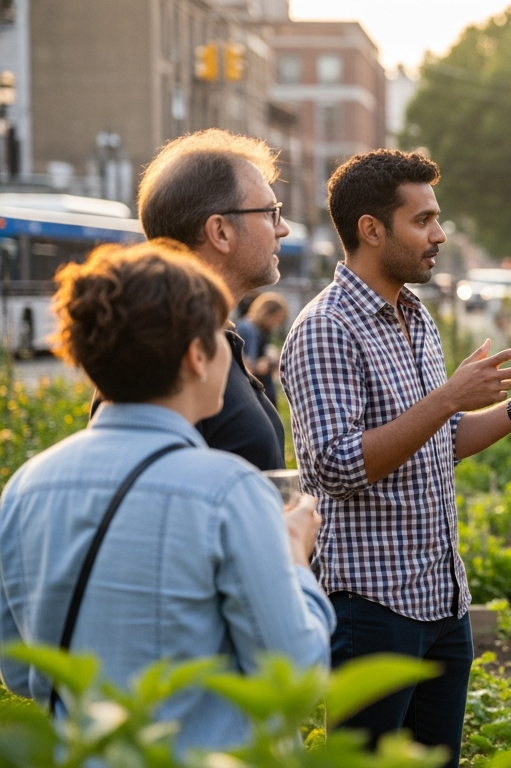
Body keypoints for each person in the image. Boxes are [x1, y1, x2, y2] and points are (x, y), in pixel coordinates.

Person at [280, 149, 511, 766]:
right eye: (423, 220)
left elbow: (437, 440)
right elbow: (335, 467)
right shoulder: (325, 328)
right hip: (372, 606)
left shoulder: (417, 317)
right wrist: (445, 399)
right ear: (371, 229)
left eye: (438, 219)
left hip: (440, 599)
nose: (438, 235)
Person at [0, 241, 332, 753]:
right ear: (197, 355)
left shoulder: (25, 487)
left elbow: (21, 671)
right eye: (223, 335)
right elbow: (294, 676)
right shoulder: (227, 490)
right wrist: (293, 558)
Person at [91, 128, 291, 471]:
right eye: (270, 211)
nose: (282, 227)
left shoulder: (209, 338)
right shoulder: (160, 353)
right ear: (220, 232)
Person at [235, 291, 289, 405]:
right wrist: (269, 361)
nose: (276, 324)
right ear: (267, 313)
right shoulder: (249, 329)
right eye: (277, 319)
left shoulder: (256, 330)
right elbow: (251, 366)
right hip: (255, 397)